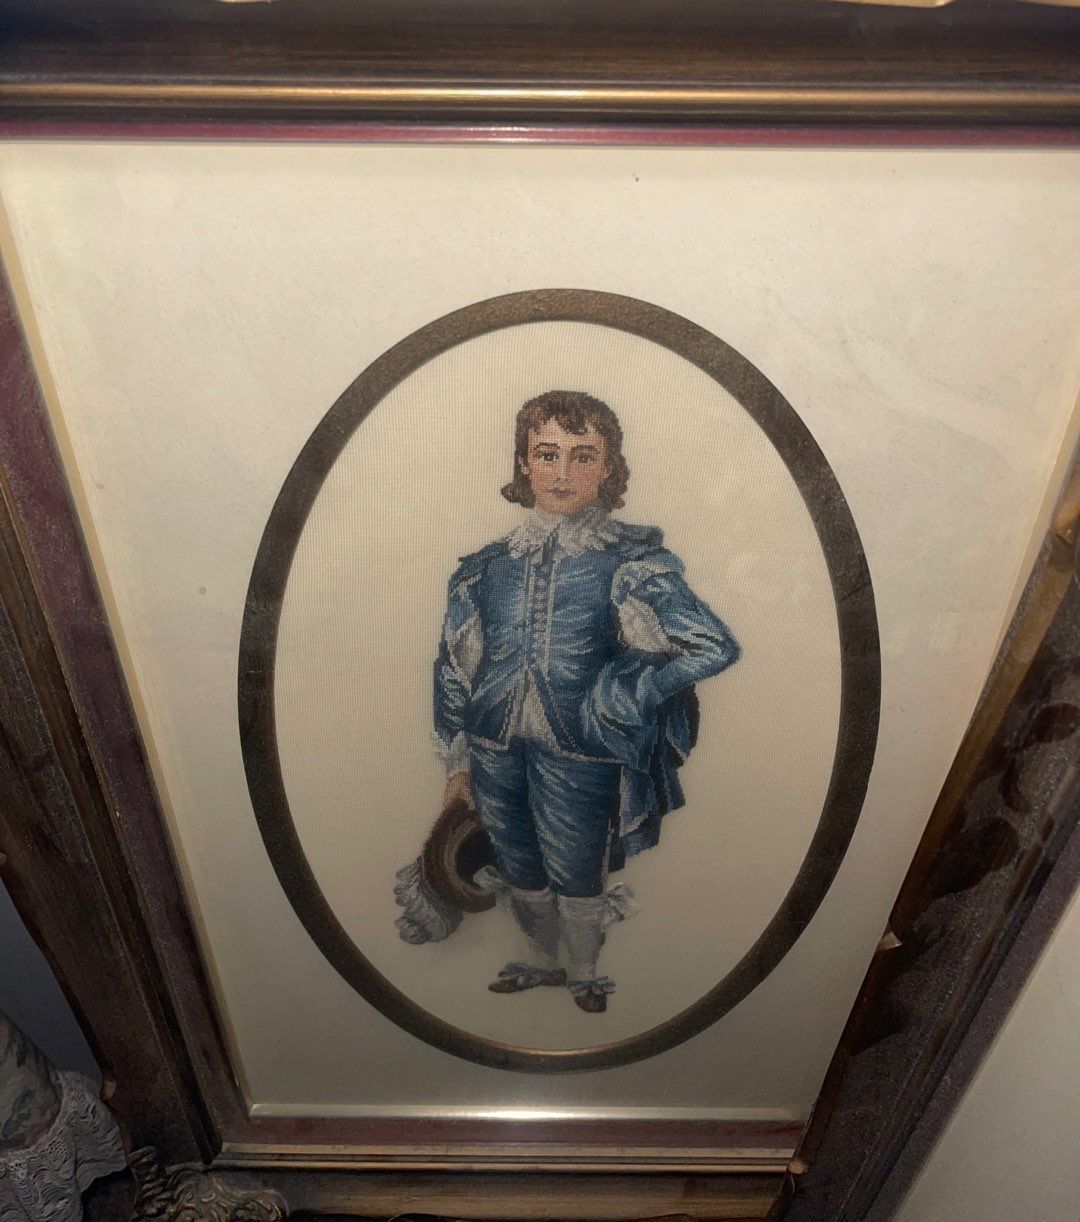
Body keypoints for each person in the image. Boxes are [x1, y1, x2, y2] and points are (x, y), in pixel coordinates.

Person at [433, 390, 740, 1013]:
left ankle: (585, 973)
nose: (562, 473)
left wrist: (626, 691)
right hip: (493, 743)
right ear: (524, 463)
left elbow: (712, 644)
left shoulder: (630, 560)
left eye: (583, 456)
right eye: (547, 454)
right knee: (518, 862)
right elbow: (454, 668)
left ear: (608, 467)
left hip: (581, 744)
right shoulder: (487, 567)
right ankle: (541, 962)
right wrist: (457, 762)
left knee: (577, 867)